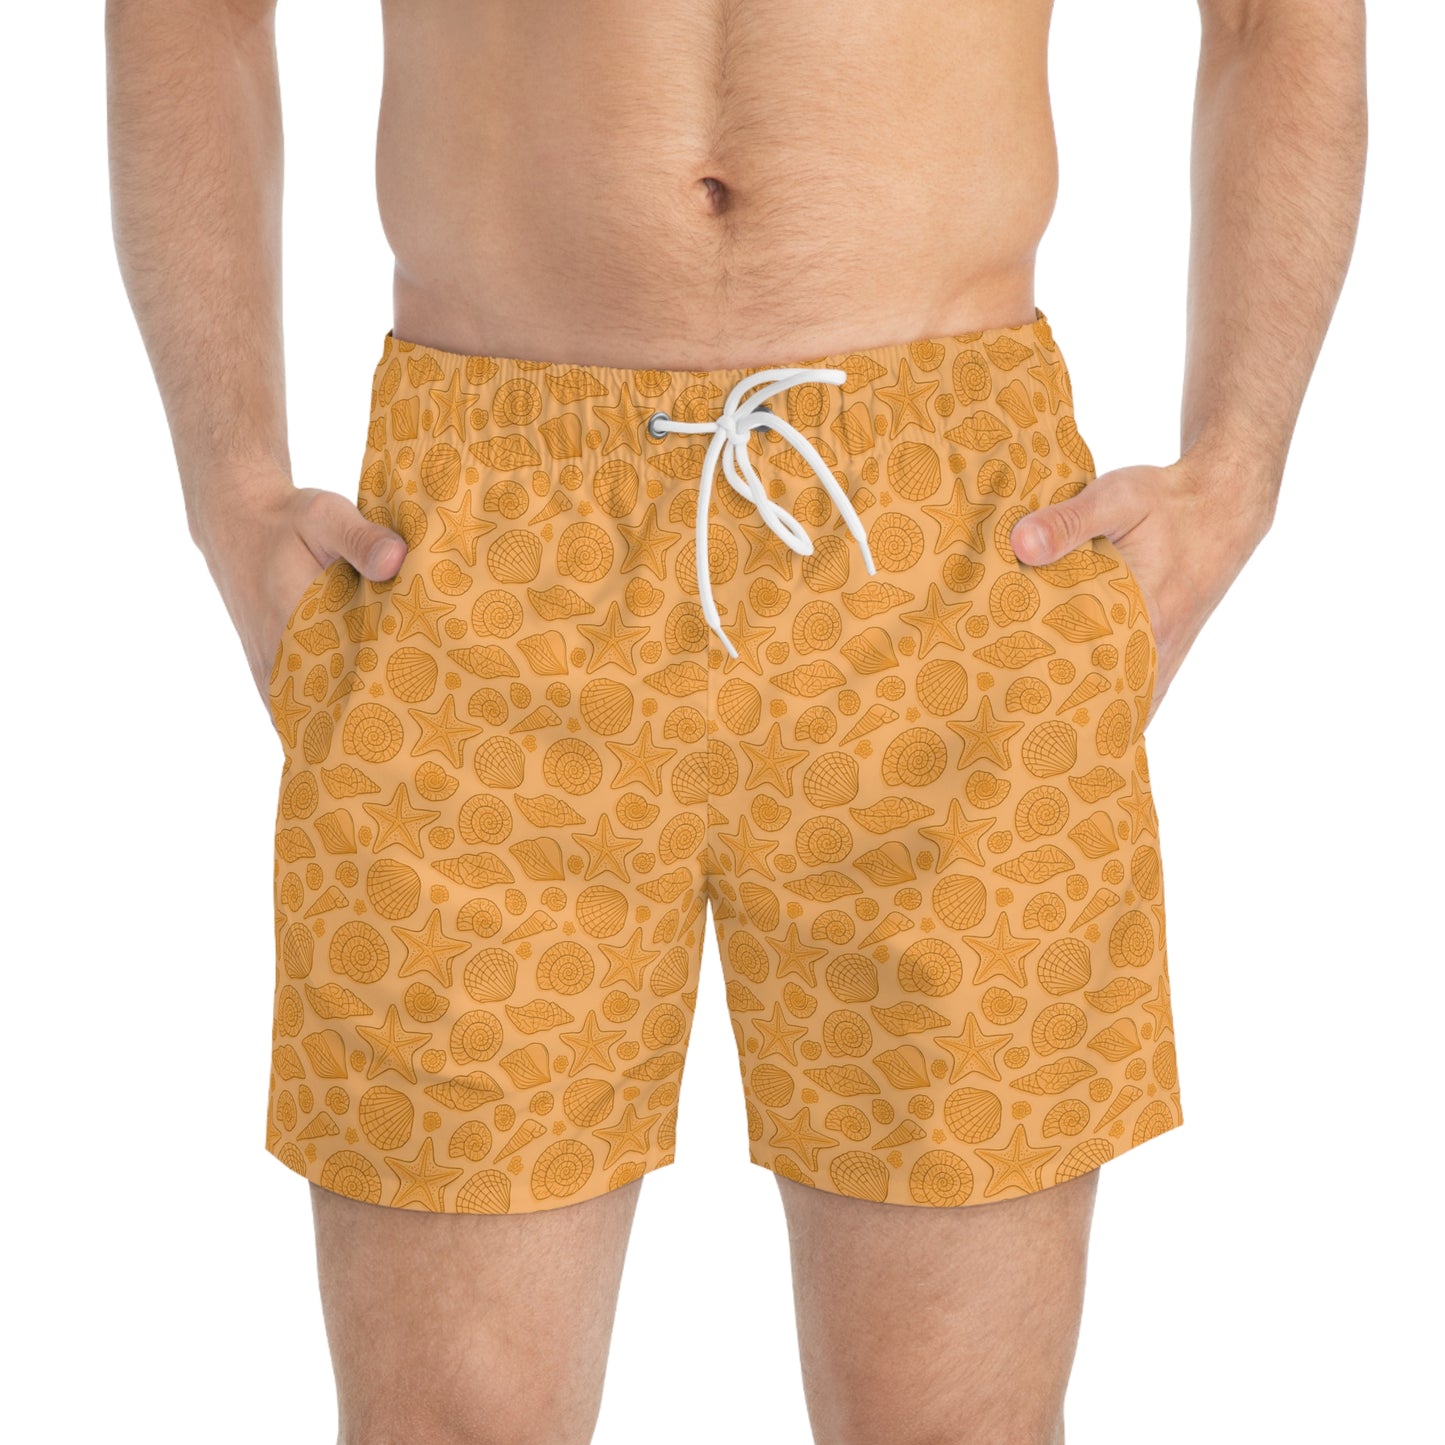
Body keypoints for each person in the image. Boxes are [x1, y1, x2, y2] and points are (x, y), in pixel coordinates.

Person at [106, 2, 1366, 1441]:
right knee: (449, 1420)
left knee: (952, 1423)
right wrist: (228, 482)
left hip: (951, 540)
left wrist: (1238, 466)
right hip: (486, 545)